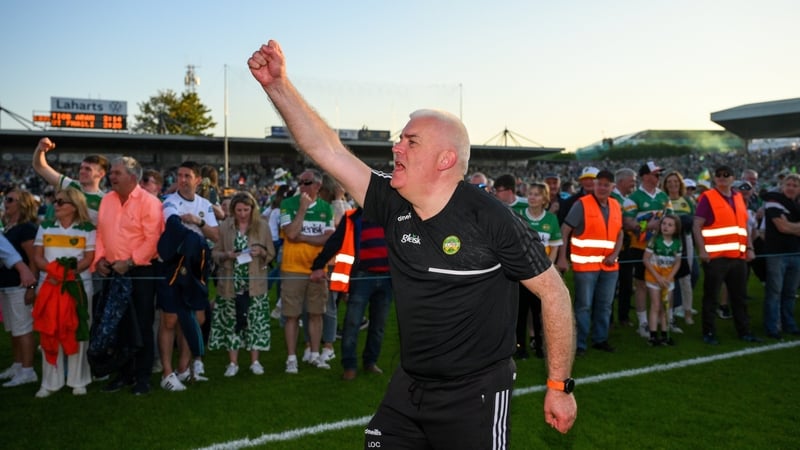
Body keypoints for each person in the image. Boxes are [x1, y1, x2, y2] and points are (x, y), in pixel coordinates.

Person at [249, 40, 576, 446]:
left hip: (474, 394)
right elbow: (327, 150)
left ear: (444, 160)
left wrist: (559, 386)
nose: (396, 147)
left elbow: (554, 292)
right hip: (410, 385)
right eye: (400, 139)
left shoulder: (490, 219)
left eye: (411, 141)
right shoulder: (392, 201)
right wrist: (278, 85)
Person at [93, 156, 163, 395]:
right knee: (118, 325)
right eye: (111, 173)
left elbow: (153, 239)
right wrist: (99, 259)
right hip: (113, 270)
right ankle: (123, 374)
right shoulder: (107, 201)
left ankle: (142, 377)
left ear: (132, 177)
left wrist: (131, 261)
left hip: (141, 271)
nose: (111, 176)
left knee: (142, 324)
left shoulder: (149, 202)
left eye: (116, 173)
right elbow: (101, 234)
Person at [310, 207, 392, 380]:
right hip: (361, 277)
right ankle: (349, 365)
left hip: (387, 278)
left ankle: (370, 362)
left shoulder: (393, 214)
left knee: (379, 325)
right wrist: (318, 265)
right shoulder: (352, 218)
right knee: (352, 323)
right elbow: (335, 241)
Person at [158, 161, 220, 391]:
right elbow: (172, 223)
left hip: (198, 266)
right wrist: (194, 239)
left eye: (187, 176)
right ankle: (166, 372)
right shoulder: (171, 200)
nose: (182, 179)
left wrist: (198, 222)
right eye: (179, 175)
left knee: (196, 317)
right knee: (170, 319)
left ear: (197, 180)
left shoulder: (205, 204)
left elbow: (216, 234)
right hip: (174, 264)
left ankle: (183, 368)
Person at [31, 187, 95, 397]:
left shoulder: (87, 228)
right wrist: (54, 271)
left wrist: (70, 272)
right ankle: (50, 382)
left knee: (79, 332)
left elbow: (88, 257)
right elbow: (37, 256)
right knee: (50, 331)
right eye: (55, 202)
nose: (55, 206)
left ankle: (78, 380)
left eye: (60, 202)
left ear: (74, 207)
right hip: (49, 285)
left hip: (78, 287)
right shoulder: (46, 227)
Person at [693, 165, 761, 345]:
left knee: (739, 297)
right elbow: (697, 225)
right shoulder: (708, 197)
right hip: (716, 257)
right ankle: (708, 332)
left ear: (733, 178)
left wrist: (749, 248)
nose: (722, 178)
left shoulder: (739, 197)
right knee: (711, 297)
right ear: (714, 179)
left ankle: (744, 331)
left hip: (737, 257)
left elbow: (744, 226)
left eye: (726, 175)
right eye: (719, 175)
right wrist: (702, 250)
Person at [557, 170, 623, 356]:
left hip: (609, 266)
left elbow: (620, 233)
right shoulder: (582, 204)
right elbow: (565, 230)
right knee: (583, 306)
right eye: (599, 184)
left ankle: (600, 339)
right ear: (594, 185)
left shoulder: (616, 205)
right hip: (585, 266)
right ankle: (579, 344)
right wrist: (563, 257)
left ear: (612, 187)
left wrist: (615, 254)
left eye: (606, 184)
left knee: (605, 305)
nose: (602, 187)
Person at [210, 192, 275, 376]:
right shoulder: (224, 227)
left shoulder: (262, 226)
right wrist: (227, 255)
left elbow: (271, 253)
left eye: (246, 210)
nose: (242, 213)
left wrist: (261, 252)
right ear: (233, 210)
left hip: (255, 284)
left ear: (252, 209)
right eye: (239, 210)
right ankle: (233, 363)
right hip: (231, 284)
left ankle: (255, 362)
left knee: (255, 322)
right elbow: (215, 253)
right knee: (232, 322)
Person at [278, 168, 335, 373]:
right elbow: (291, 233)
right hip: (292, 268)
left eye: (306, 182)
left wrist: (302, 237)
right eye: (300, 181)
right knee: (291, 315)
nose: (301, 186)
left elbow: (328, 238)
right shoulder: (288, 204)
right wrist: (302, 209)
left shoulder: (326, 208)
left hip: (317, 269)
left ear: (318, 186)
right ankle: (291, 358)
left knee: (316, 313)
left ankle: (314, 353)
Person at [622, 161, 672, 338]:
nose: (658, 177)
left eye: (659, 174)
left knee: (662, 282)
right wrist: (646, 225)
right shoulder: (633, 198)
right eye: (655, 174)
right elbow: (627, 223)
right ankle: (643, 322)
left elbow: (672, 219)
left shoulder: (664, 197)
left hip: (661, 248)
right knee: (641, 285)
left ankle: (662, 319)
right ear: (644, 176)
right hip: (640, 248)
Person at [516, 181, 562, 359]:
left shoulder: (551, 219)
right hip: (521, 274)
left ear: (545, 199)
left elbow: (555, 245)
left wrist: (547, 269)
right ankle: (520, 347)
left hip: (542, 276)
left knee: (540, 313)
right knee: (520, 313)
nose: (532, 197)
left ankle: (539, 346)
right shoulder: (519, 215)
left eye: (536, 194)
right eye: (530, 194)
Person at [0, 189, 40, 387]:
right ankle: (18, 364)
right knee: (13, 328)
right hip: (7, 284)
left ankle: (28, 369)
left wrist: (32, 286)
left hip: (20, 285)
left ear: (22, 204)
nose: (5, 202)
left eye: (10, 200)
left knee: (23, 328)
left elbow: (33, 260)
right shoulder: (8, 227)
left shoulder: (26, 228)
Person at [32, 137, 108, 224]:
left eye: (88, 169)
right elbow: (40, 166)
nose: (82, 172)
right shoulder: (70, 185)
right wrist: (40, 150)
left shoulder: (104, 200)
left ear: (101, 174)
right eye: (81, 168)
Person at [761, 173, 800, 339]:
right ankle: (772, 326)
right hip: (777, 253)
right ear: (782, 186)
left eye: (795, 185)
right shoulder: (773, 200)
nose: (791, 188)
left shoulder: (796, 204)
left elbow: (785, 225)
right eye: (788, 184)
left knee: (790, 292)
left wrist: (789, 223)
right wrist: (794, 226)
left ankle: (788, 323)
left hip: (796, 252)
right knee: (774, 291)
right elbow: (781, 227)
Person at [661, 171, 696, 325]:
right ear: (665, 185)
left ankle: (687, 312)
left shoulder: (687, 201)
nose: (673, 184)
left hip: (686, 240)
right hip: (668, 241)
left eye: (676, 181)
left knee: (686, 278)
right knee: (669, 278)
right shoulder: (663, 201)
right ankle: (670, 314)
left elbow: (693, 222)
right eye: (670, 182)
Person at [642, 214, 682, 346]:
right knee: (655, 305)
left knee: (666, 306)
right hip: (654, 277)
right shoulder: (655, 240)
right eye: (664, 224)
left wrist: (669, 278)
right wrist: (657, 277)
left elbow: (677, 262)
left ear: (676, 228)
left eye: (670, 225)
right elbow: (646, 259)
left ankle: (665, 334)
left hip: (668, 279)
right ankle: (653, 335)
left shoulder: (677, 242)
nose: (666, 227)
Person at [612, 168, 637, 327]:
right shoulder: (613, 198)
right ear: (621, 181)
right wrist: (644, 225)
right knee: (611, 285)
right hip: (613, 247)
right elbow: (628, 223)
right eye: (631, 181)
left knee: (626, 283)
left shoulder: (625, 199)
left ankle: (623, 316)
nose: (634, 184)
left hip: (625, 246)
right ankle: (609, 319)